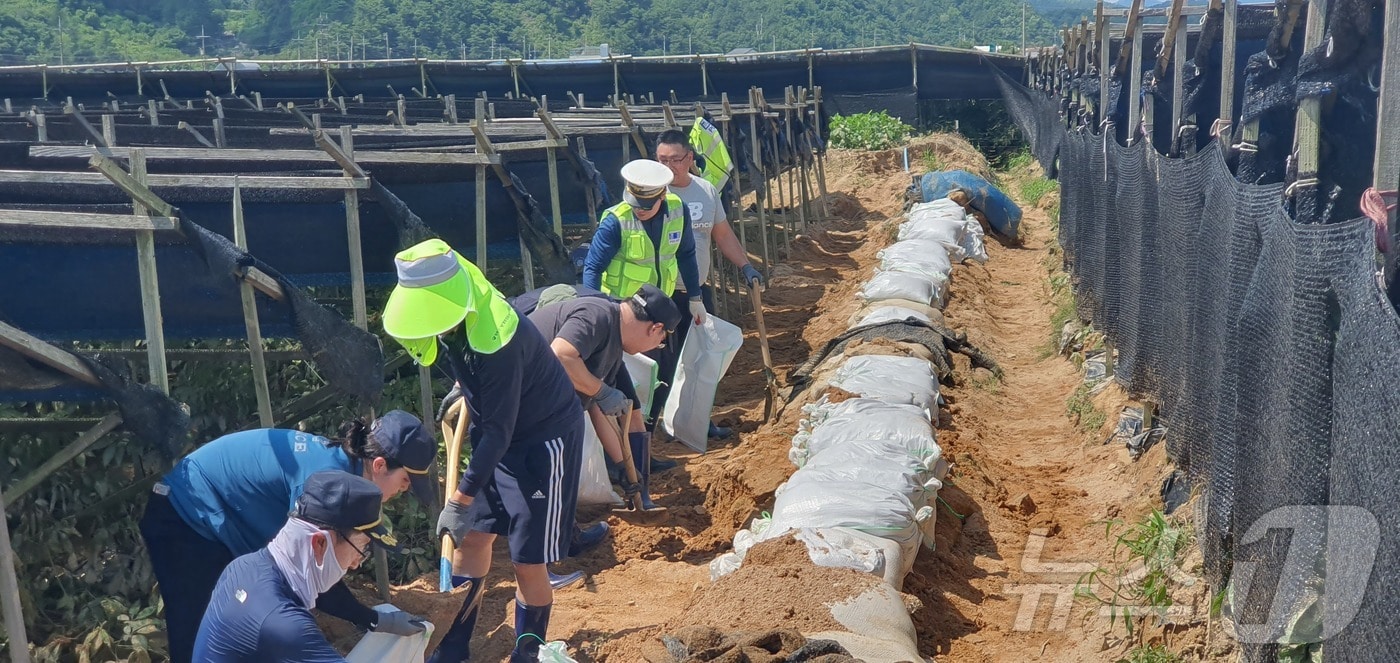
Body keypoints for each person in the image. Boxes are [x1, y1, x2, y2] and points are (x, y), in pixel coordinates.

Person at [381, 238, 585, 663]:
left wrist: (460, 497)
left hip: (542, 442)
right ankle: (452, 647)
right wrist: (462, 387)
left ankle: (529, 650)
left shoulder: (499, 340)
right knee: (472, 538)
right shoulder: (457, 311)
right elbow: (469, 369)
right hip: (500, 431)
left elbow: (498, 431)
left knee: (527, 559)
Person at [139, 411, 436, 663]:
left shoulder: (339, 475)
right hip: (185, 517)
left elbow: (309, 568)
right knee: (192, 636)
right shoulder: (319, 484)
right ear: (380, 465)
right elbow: (310, 565)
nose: (404, 490)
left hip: (216, 526)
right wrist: (372, 619)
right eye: (406, 480)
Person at [193, 470, 418, 662]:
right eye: (360, 548)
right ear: (319, 543)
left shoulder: (243, 567)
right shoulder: (284, 624)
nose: (355, 564)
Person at [581, 159, 705, 452]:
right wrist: (593, 313)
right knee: (627, 385)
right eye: (636, 202)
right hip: (623, 317)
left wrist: (695, 297)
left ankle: (643, 448)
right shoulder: (616, 221)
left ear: (662, 195)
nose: (640, 209)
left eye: (646, 204)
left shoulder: (678, 210)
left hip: (660, 311)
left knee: (659, 378)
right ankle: (619, 452)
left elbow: (686, 254)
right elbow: (592, 269)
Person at [655, 129, 767, 440]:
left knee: (701, 359)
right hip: (660, 294)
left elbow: (723, 235)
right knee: (664, 361)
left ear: (689, 158)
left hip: (697, 292)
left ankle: (698, 421)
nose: (668, 166)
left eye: (674, 159)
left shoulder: (705, 191)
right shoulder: (652, 193)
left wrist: (746, 266)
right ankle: (657, 425)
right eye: (661, 160)